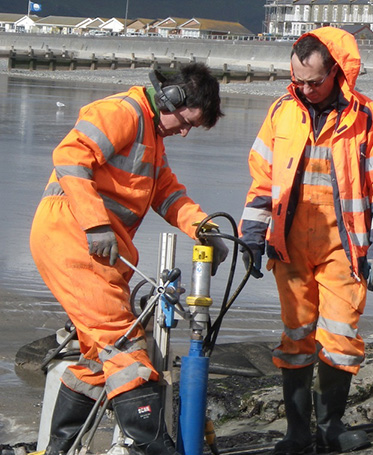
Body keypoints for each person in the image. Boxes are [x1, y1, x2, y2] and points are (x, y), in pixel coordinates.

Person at [30, 63, 228, 455]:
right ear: (170, 98)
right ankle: (154, 448)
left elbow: (168, 195)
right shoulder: (123, 112)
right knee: (124, 345)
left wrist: (204, 227)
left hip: (91, 246)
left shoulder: (152, 136)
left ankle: (60, 449)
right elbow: (69, 155)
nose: (184, 131)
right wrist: (95, 225)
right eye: (185, 122)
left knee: (97, 356)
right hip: (72, 237)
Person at [239, 27, 373, 454]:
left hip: (344, 249)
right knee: (296, 335)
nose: (306, 89)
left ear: (336, 71)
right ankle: (296, 433)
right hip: (289, 246)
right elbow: (261, 180)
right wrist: (251, 237)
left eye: (314, 81)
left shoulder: (367, 117)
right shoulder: (281, 112)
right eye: (298, 81)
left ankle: (331, 426)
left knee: (340, 335)